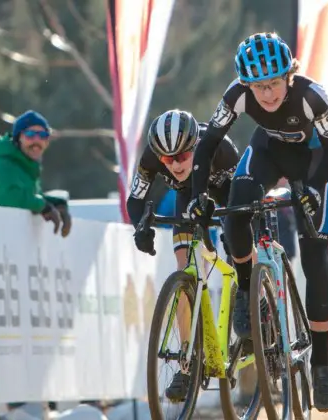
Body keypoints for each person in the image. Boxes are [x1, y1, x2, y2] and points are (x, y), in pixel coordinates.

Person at [187, 32, 328, 411]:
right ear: (247, 84)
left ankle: (322, 365)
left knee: (315, 259)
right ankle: (246, 291)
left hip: (313, 162)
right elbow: (207, 144)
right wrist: (198, 194)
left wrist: (315, 187)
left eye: (274, 84)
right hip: (268, 152)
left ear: (289, 76)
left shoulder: (311, 96)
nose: (269, 95)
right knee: (238, 209)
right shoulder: (236, 95)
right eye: (259, 87)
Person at [127, 109, 239, 401]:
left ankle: (252, 307)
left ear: (194, 148)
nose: (175, 164)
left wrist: (234, 230)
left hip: (226, 190)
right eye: (167, 159)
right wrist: (140, 227)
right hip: (188, 196)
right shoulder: (151, 158)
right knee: (185, 267)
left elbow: (246, 189)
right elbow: (136, 198)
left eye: (181, 157)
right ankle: (188, 364)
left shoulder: (220, 149)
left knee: (240, 248)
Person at [0, 110, 72, 237]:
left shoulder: (27, 167)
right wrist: (43, 206)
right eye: (30, 134)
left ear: (47, 142)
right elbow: (7, 196)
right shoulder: (4, 164)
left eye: (42, 135)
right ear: (18, 138)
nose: (36, 141)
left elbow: (30, 196)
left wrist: (57, 203)